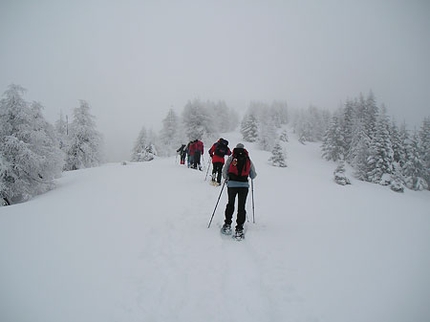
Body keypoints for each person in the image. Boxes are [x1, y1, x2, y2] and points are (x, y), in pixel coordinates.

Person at [221, 143, 257, 239]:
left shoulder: (232, 157)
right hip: (244, 186)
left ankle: (227, 225)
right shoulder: (247, 158)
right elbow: (253, 174)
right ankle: (239, 228)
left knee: (230, 204)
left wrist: (227, 178)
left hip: (232, 185)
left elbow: (225, 170)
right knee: (241, 206)